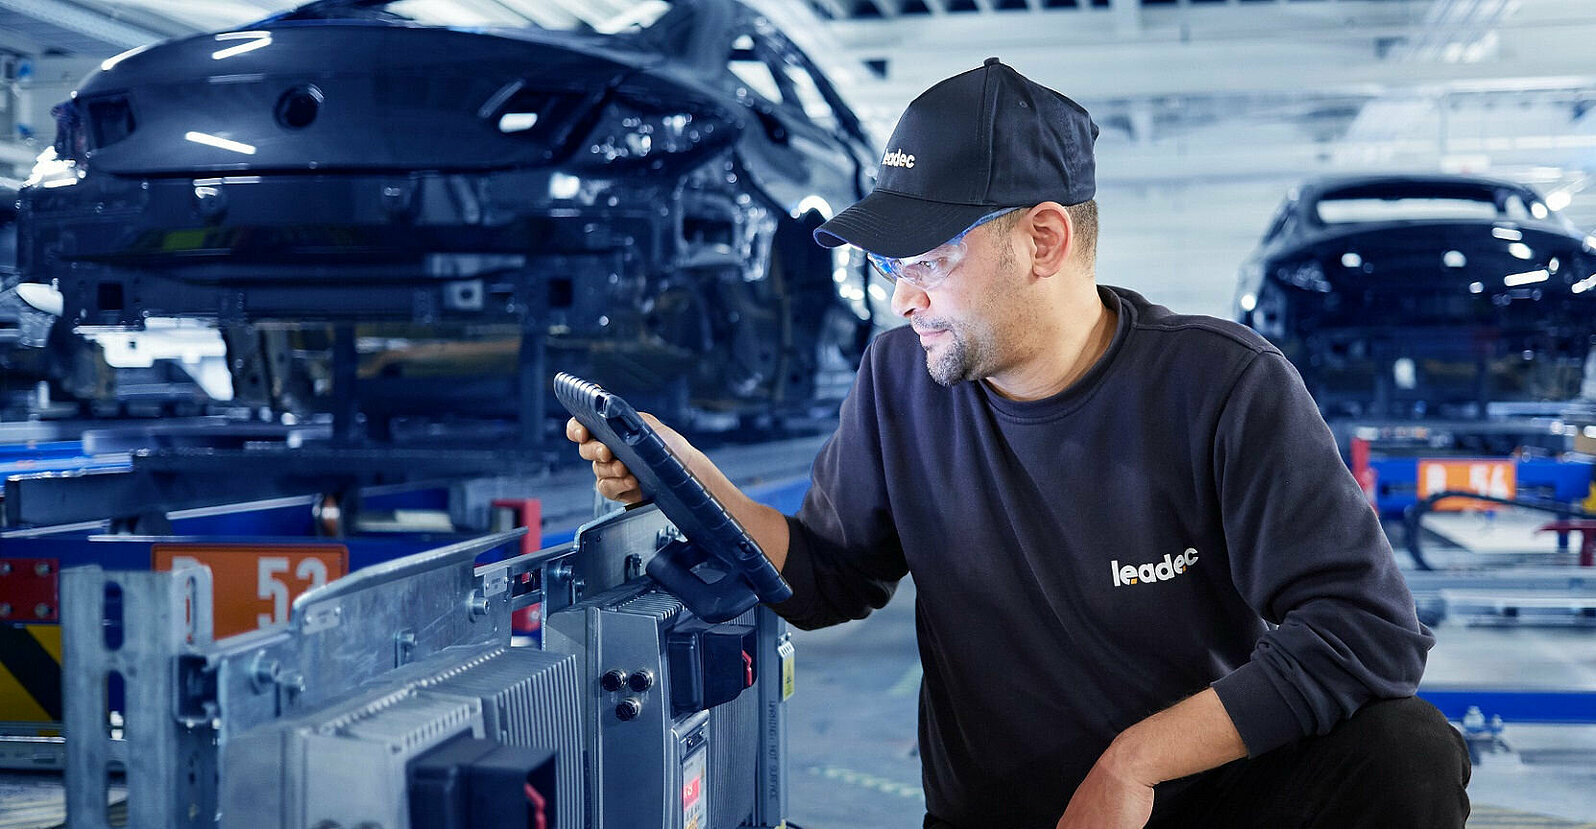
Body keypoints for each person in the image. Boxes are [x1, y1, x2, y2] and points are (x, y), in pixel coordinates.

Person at [568, 58, 1470, 829]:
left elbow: (1366, 632)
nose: (903, 297)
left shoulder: (1223, 387)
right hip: (997, 812)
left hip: (1188, 802)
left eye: (929, 259)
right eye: (892, 265)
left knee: (1409, 755)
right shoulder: (898, 382)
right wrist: (691, 480)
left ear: (1043, 240)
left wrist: (1136, 762)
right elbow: (827, 577)